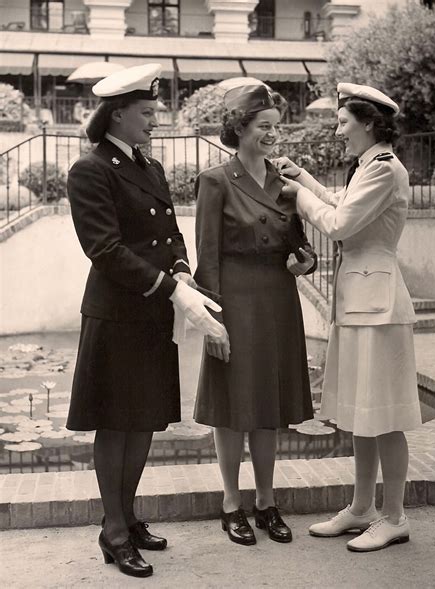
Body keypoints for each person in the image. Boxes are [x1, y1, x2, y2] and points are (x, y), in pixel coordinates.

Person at [65, 63, 226, 578]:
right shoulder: (91, 169)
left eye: (155, 111)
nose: (156, 120)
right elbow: (104, 250)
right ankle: (112, 531)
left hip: (154, 310)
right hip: (117, 315)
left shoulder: (149, 167)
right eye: (147, 113)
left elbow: (172, 233)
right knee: (115, 423)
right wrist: (171, 287)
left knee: (143, 421)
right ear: (117, 115)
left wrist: (181, 268)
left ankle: (128, 517)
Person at [275, 82, 422, 552]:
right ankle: (362, 508)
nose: (338, 132)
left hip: (378, 307)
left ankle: (394, 515)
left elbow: (338, 224)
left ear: (370, 123)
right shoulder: (368, 167)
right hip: (361, 303)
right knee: (362, 413)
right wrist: (306, 178)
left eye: (343, 122)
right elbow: (342, 205)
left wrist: (297, 193)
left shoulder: (383, 169)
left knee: (387, 414)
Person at [193, 83, 317, 546]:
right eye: (264, 127)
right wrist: (211, 319)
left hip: (277, 302)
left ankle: (267, 501)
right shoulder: (215, 180)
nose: (272, 135)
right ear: (240, 129)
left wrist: (306, 262)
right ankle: (231, 503)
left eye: (275, 128)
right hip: (234, 302)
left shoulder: (285, 185)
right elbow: (207, 255)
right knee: (232, 409)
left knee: (268, 407)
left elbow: (298, 245)